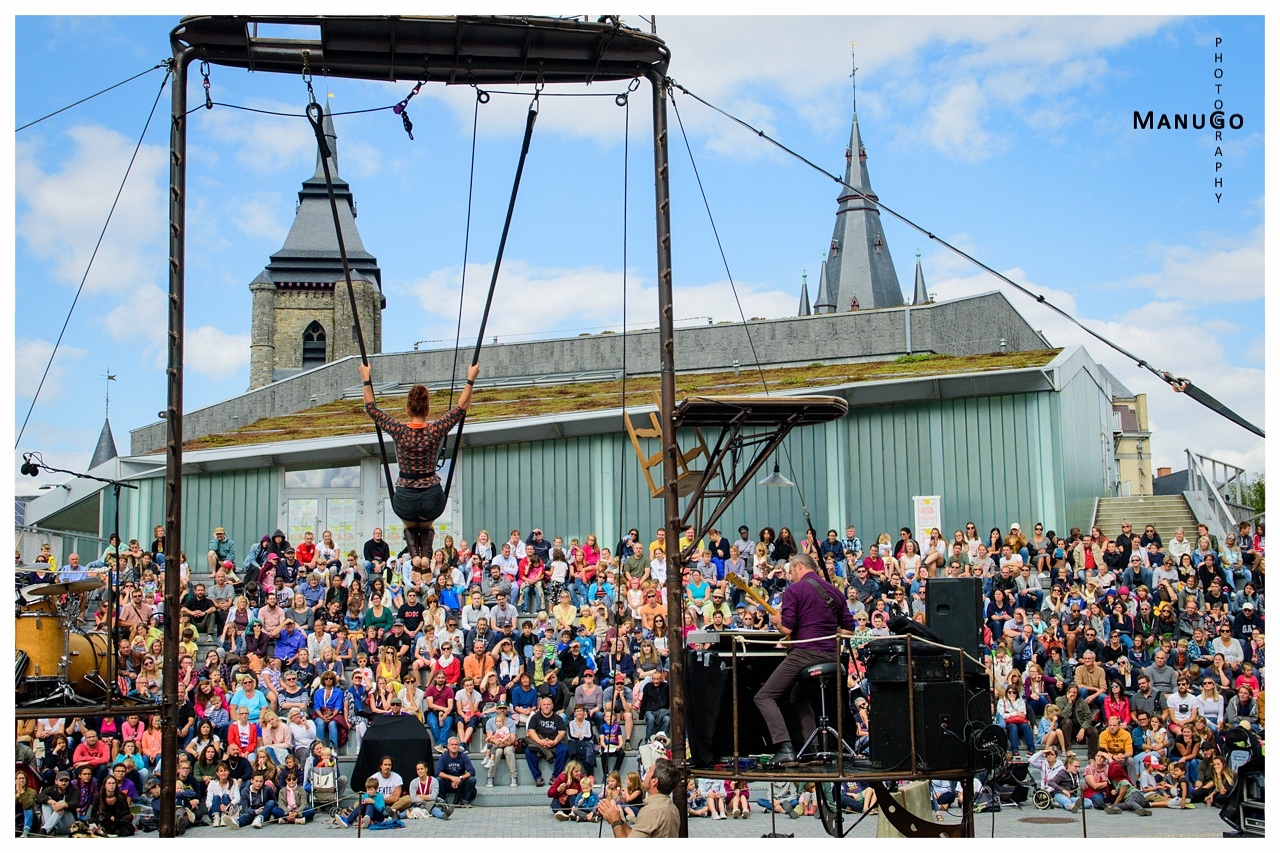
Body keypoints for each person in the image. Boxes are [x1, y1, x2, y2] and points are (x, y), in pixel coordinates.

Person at [360, 360, 480, 567]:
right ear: (427, 410)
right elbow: (461, 408)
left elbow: (371, 408)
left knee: (410, 523)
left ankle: (417, 555)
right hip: (431, 497)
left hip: (405, 498)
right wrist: (471, 378)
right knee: (427, 525)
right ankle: (425, 555)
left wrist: (365, 378)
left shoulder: (399, 430)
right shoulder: (434, 431)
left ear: (407, 409)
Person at [754, 553, 856, 764]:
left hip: (806, 652)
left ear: (799, 567)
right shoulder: (835, 591)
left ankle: (785, 747)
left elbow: (787, 627)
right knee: (798, 697)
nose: (790, 577)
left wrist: (775, 621)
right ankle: (812, 749)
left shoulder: (795, 590)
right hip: (832, 655)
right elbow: (849, 630)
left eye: (791, 572)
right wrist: (824, 629)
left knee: (763, 697)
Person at [596, 758, 682, 838]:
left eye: (649, 771)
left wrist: (615, 822)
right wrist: (619, 820)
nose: (646, 773)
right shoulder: (670, 806)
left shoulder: (651, 811)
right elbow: (636, 836)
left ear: (654, 781)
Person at [435, 737, 477, 805]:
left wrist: (460, 778)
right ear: (448, 746)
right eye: (452, 744)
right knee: (438, 780)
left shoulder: (463, 756)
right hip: (448, 783)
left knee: (472, 780)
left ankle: (465, 801)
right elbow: (438, 772)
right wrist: (451, 778)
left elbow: (472, 771)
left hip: (460, 782)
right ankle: (443, 801)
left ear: (458, 746)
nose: (454, 746)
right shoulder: (443, 757)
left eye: (456, 744)